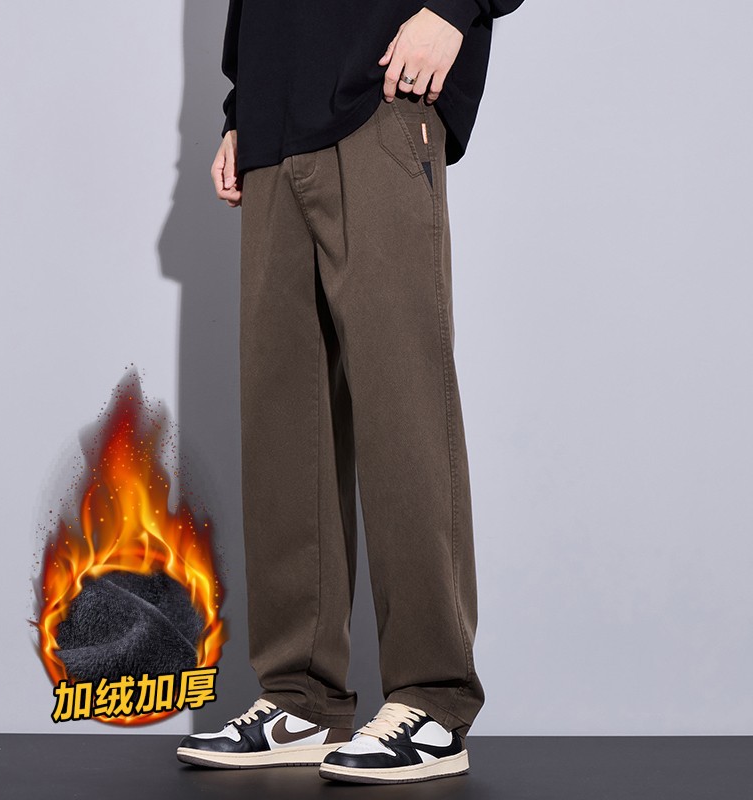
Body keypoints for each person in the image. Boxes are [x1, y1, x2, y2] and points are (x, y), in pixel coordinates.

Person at [176, 0, 525, 785]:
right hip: (273, 120)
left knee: (403, 408)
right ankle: (301, 697)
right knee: (282, 425)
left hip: (381, 92)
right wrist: (242, 106)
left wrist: (454, 10)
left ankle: (434, 700)